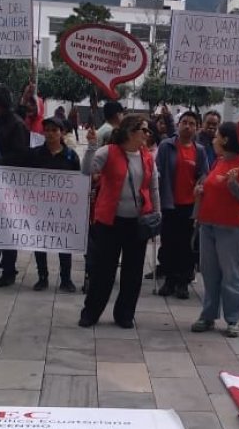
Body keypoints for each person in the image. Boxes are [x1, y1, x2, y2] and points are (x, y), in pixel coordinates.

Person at [80, 114, 160, 328]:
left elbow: (153, 188)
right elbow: (87, 170)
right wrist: (91, 146)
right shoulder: (108, 152)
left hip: (138, 222)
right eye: (144, 130)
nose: (147, 134)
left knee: (133, 272)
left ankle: (124, 314)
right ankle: (91, 312)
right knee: (103, 271)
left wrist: (157, 215)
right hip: (109, 221)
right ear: (130, 131)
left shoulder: (147, 157)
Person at [191, 121, 239, 337]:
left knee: (231, 275)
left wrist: (233, 185)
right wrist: (200, 190)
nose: (213, 139)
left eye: (217, 135)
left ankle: (233, 319)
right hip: (208, 224)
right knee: (210, 273)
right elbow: (211, 186)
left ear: (226, 139)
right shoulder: (218, 161)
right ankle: (208, 315)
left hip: (232, 227)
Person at [155, 110, 208, 299]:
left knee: (186, 245)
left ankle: (183, 281)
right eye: (184, 122)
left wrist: (200, 186)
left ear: (197, 127)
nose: (187, 126)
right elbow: (158, 171)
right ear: (178, 125)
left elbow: (204, 174)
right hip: (170, 203)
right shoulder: (166, 146)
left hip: (190, 206)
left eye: (192, 123)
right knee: (169, 242)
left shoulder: (199, 150)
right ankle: (169, 280)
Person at [0, 83, 31, 287]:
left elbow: (21, 155)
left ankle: (9, 270)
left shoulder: (16, 124)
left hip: (10, 187)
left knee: (7, 228)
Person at [31, 116, 80, 292]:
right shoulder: (35, 154)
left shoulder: (70, 156)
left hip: (63, 210)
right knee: (39, 242)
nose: (50, 134)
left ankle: (66, 278)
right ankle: (42, 276)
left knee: (64, 242)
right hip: (40, 207)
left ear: (62, 133)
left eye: (54, 130)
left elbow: (77, 182)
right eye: (47, 130)